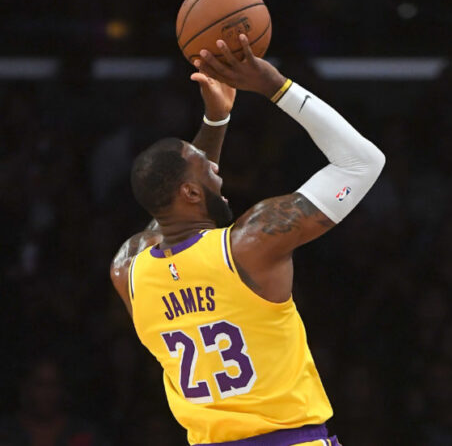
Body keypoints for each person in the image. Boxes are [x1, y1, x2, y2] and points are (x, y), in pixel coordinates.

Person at [110, 34, 385, 445]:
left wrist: (216, 121)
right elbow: (363, 162)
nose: (220, 174)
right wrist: (276, 85)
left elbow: (167, 210)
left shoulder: (128, 268)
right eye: (208, 172)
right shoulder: (248, 245)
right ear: (189, 193)